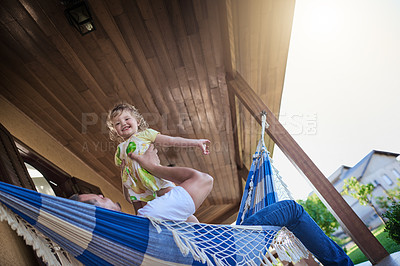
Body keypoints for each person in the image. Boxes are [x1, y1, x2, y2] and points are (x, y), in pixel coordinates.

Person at [75, 145, 353, 265]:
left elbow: (192, 222)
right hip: (231, 252)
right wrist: (154, 167)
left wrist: (149, 184)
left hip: (219, 252)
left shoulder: (141, 231)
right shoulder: (149, 217)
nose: (100, 195)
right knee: (290, 209)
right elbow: (202, 180)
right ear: (97, 214)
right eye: (95, 200)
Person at [106, 103, 210, 221]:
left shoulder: (145, 134)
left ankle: (196, 228)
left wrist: (196, 142)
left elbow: (172, 141)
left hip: (156, 180)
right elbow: (124, 172)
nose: (123, 123)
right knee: (144, 218)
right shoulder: (120, 150)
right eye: (117, 124)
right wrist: (126, 192)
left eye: (127, 118)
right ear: (115, 131)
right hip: (140, 190)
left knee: (178, 209)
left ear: (138, 121)